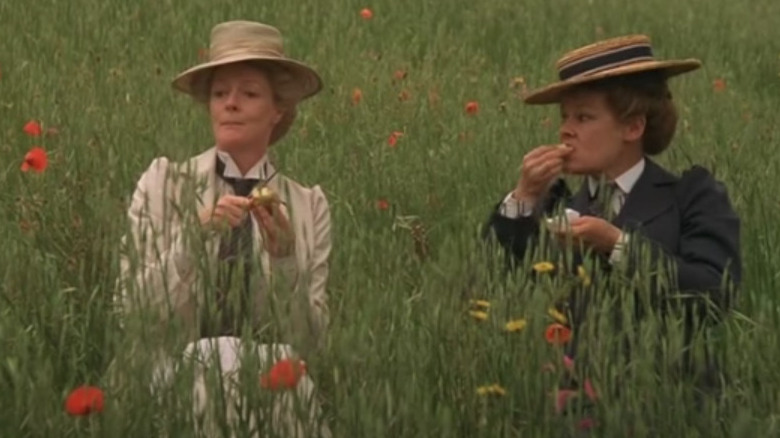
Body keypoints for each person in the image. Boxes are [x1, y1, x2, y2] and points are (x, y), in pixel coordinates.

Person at [483, 35, 741, 428]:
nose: (566, 131)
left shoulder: (691, 197)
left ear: (633, 126)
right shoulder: (553, 205)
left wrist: (617, 245)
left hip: (672, 410)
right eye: (564, 118)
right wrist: (523, 197)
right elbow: (492, 279)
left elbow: (714, 293)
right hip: (570, 414)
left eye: (583, 118)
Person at [117, 21, 332, 437]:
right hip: (170, 372)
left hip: (272, 382)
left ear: (278, 110)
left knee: (290, 391)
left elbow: (311, 343)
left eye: (249, 92)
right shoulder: (164, 183)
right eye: (219, 93)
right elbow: (132, 313)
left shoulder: (308, 206)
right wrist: (191, 243)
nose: (230, 103)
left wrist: (286, 259)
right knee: (203, 392)